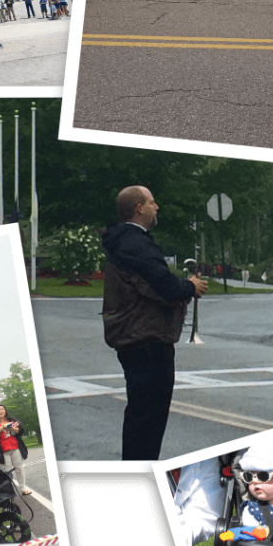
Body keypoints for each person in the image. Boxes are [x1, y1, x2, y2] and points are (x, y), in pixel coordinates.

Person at [101, 185, 208, 460]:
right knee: (148, 418)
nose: (156, 206)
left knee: (140, 413)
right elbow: (163, 285)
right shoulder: (135, 242)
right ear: (139, 208)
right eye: (151, 202)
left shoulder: (124, 241)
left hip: (133, 337)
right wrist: (190, 285)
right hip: (147, 338)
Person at [0, 404, 31, 495]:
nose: (0, 411)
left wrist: (13, 429)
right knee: (6, 471)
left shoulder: (12, 420)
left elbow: (21, 430)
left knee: (19, 469)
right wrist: (2, 427)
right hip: (3, 451)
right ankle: (8, 491)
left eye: (2, 409)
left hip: (15, 448)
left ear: (5, 411)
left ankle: (23, 489)